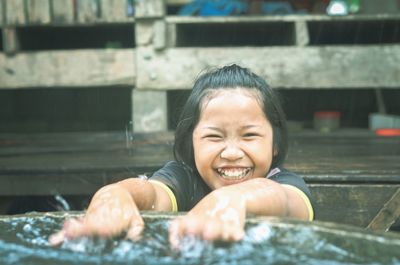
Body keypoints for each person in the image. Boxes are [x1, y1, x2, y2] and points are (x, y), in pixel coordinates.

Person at [49, 64, 314, 247]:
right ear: (192, 142)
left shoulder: (287, 185)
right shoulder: (185, 178)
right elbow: (150, 193)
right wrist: (114, 195)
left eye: (249, 136)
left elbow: (287, 203)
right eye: (214, 136)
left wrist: (234, 198)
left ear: (275, 144)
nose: (232, 153)